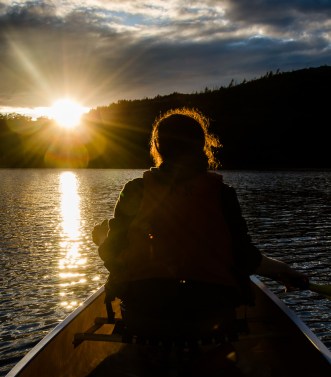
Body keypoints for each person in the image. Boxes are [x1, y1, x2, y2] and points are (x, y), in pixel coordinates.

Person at [92, 107, 307, 344]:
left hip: (145, 316)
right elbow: (245, 259)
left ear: (158, 146)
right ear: (201, 145)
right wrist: (283, 271)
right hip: (210, 317)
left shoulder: (135, 191)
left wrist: (101, 238)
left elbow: (111, 253)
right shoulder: (222, 195)